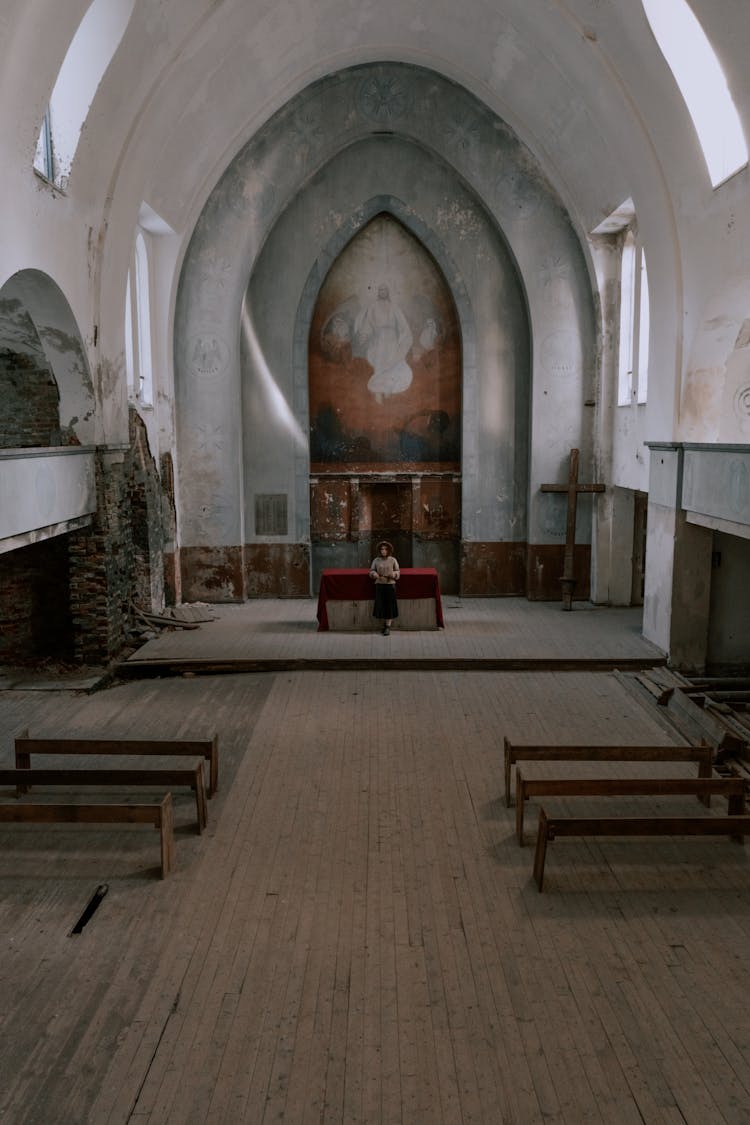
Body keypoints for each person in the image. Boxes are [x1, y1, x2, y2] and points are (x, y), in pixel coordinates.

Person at [354, 283, 413, 399]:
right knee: (380, 366)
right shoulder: (373, 307)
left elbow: (403, 325)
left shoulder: (394, 307)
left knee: (391, 364)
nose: (383, 292)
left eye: (385, 290)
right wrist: (364, 335)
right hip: (379, 341)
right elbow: (368, 324)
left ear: (387, 292)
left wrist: (402, 339)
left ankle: (388, 393)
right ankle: (378, 394)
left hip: (392, 341)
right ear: (378, 292)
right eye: (380, 290)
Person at [369, 539, 400, 635]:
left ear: (389, 550)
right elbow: (371, 570)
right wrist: (374, 574)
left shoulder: (393, 560)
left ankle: (388, 626)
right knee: (381, 605)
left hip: (390, 585)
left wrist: (394, 574)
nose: (384, 551)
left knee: (389, 606)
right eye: (382, 549)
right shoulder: (376, 560)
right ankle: (383, 624)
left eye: (386, 549)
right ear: (379, 550)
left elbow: (398, 571)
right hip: (379, 585)